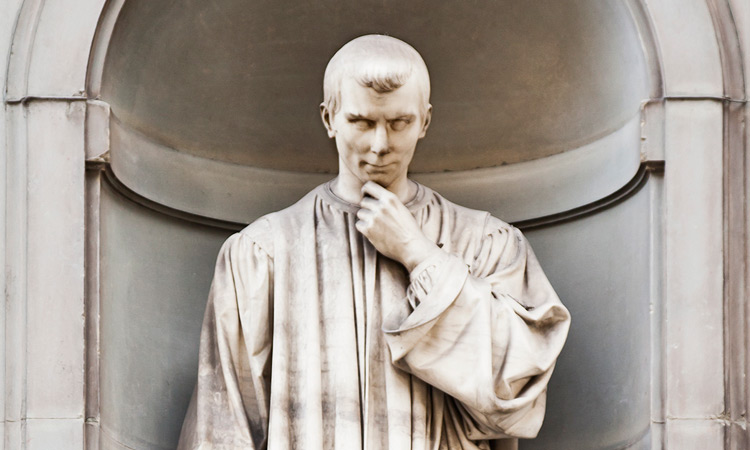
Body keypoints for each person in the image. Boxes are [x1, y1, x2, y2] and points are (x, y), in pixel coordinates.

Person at [177, 34, 570, 450]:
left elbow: (516, 391)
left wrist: (418, 255)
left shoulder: (486, 243)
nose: (381, 145)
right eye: (362, 122)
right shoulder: (264, 253)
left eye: (399, 123)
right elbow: (223, 426)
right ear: (329, 118)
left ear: (425, 122)